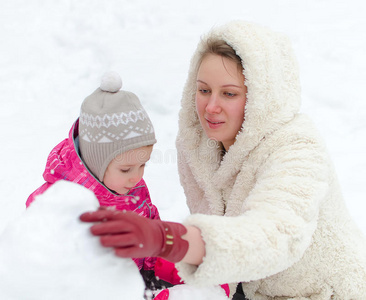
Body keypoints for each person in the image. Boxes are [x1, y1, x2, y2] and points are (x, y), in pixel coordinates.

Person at [79, 21, 366, 299]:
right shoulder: (198, 145)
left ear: (261, 97)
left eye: (229, 93)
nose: (211, 107)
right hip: (243, 284)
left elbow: (276, 236)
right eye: (204, 90)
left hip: (321, 293)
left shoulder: (298, 149)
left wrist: (167, 239)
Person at [26, 72, 174, 293]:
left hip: (137, 281)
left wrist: (157, 270)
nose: (137, 177)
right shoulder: (61, 203)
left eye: (143, 165)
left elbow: (151, 227)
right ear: (96, 163)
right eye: (126, 169)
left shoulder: (132, 186)